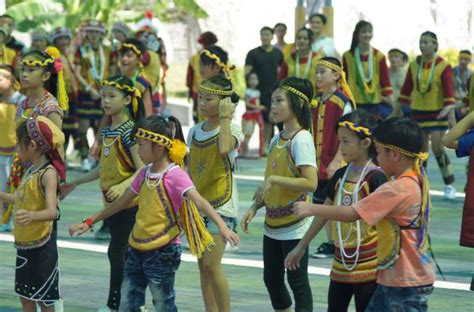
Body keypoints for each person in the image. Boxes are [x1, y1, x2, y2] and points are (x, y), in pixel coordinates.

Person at [69, 114, 240, 311]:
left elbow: (200, 201)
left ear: (158, 146)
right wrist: (90, 221)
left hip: (163, 251)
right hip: (136, 248)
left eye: (141, 145)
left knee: (163, 303)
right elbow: (122, 202)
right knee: (128, 302)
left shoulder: (176, 175)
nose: (138, 150)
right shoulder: (144, 173)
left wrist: (222, 227)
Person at [293, 117, 436, 311]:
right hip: (403, 277)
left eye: (378, 152)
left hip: (401, 280)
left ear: (394, 154)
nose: (377, 157)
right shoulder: (417, 180)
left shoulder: (394, 188)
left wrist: (311, 208)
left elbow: (353, 213)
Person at [286, 110, 387, 311]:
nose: (340, 148)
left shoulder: (376, 178)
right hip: (341, 263)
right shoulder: (341, 174)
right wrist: (302, 246)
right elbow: (325, 212)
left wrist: (311, 208)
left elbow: (356, 215)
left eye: (346, 142)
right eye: (339, 141)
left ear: (366, 143)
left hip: (369, 264)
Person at [60, 76, 144, 312]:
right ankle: (130, 303)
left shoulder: (130, 132)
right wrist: (76, 182)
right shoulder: (108, 130)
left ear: (127, 99)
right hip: (112, 202)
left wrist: (124, 184)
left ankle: (116, 305)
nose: (105, 101)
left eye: (112, 96)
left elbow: (142, 170)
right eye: (104, 95)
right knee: (121, 253)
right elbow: (103, 168)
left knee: (118, 252)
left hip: (129, 202)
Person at [241, 77, 317, 312]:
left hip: (295, 224)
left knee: (298, 282)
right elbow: (270, 184)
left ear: (296, 104)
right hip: (273, 222)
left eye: (279, 101)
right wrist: (255, 207)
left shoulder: (301, 139)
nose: (273, 106)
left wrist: (273, 180)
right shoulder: (276, 139)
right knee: (272, 279)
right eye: (272, 101)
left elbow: (311, 183)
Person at [187, 75, 243, 312]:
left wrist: (225, 116)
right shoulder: (194, 131)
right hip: (198, 205)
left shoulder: (232, 130)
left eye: (209, 98)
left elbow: (224, 148)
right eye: (200, 97)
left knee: (212, 265)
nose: (202, 102)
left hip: (222, 205)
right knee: (202, 266)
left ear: (223, 102)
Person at [0, 116, 65, 312]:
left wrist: (31, 216)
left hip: (43, 249)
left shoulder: (48, 174)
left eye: (19, 146)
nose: (18, 151)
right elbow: (22, 200)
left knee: (44, 300)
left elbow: (52, 211)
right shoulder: (32, 171)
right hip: (25, 244)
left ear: (33, 145)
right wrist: (2, 196)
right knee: (25, 296)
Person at [2, 47, 68, 234]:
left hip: (43, 172)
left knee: (42, 223)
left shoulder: (50, 107)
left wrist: (57, 180)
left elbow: (58, 145)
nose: (24, 74)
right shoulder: (23, 103)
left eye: (31, 70)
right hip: (23, 168)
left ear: (46, 75)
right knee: (24, 221)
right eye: (23, 69)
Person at [396, 31, 457, 200]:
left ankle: (449, 184)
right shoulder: (414, 65)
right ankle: (421, 185)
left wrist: (450, 111)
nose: (422, 45)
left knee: (438, 149)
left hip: (437, 113)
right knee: (421, 152)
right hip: (418, 113)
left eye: (426, 42)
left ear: (435, 45)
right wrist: (395, 112)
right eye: (421, 42)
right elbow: (406, 90)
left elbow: (449, 92)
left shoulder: (443, 65)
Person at [310, 57, 356, 259]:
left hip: (336, 161)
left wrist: (338, 159)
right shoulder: (314, 101)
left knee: (335, 203)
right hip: (318, 163)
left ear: (336, 75)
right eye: (316, 72)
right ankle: (331, 242)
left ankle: (341, 242)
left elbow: (348, 133)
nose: (318, 76)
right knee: (322, 201)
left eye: (322, 72)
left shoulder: (342, 102)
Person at [74, 20, 114, 172]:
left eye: (96, 32)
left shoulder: (109, 50)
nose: (93, 35)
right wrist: (89, 88)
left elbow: (113, 71)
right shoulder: (81, 50)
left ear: (102, 34)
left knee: (101, 128)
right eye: (90, 32)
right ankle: (85, 157)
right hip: (86, 93)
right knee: (82, 128)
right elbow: (77, 72)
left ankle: (97, 158)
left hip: (104, 93)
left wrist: (106, 91)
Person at [343, 20, 393, 118]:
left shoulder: (379, 56)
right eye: (364, 32)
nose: (367, 34)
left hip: (374, 102)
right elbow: (344, 79)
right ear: (357, 34)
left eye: (369, 31)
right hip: (354, 101)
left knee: (372, 130)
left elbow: (385, 80)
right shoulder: (348, 56)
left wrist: (389, 97)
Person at [245, 26, 284, 153]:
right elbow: (247, 71)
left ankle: (265, 146)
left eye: (267, 34)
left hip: (271, 92)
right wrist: (248, 90)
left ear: (272, 36)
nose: (265, 37)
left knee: (268, 120)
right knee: (251, 120)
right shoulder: (253, 53)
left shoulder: (278, 53)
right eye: (262, 35)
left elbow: (282, 72)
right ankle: (244, 147)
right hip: (255, 93)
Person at [0, 65, 25, 232]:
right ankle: (4, 218)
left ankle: (15, 218)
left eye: (1, 78)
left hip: (16, 153)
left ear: (11, 81)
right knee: (2, 186)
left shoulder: (20, 101)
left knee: (14, 185)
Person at [50, 27, 80, 162]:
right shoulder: (53, 55)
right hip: (60, 95)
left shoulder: (73, 53)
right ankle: (60, 157)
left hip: (74, 94)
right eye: (59, 39)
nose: (63, 41)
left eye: (65, 38)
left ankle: (69, 156)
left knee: (73, 126)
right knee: (62, 127)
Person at [187, 31, 218, 122]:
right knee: (199, 116)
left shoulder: (216, 57)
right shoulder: (195, 57)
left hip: (207, 91)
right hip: (199, 91)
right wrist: (190, 92)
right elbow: (190, 76)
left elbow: (190, 77)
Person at [279, 27, 322, 92]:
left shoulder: (318, 59)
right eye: (299, 38)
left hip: (313, 97)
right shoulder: (289, 58)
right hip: (292, 98)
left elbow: (323, 81)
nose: (301, 41)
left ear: (310, 40)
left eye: (305, 38)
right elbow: (281, 80)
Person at [117, 38, 153, 116]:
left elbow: (148, 115)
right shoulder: (114, 81)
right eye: (122, 55)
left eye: (129, 55)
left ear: (139, 59)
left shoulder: (142, 84)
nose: (124, 58)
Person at [240, 72, 266, 158]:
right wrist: (258, 106)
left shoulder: (257, 92)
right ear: (248, 81)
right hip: (249, 115)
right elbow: (247, 104)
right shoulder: (248, 91)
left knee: (251, 133)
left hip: (255, 115)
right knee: (248, 133)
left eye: (255, 79)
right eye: (251, 79)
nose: (253, 81)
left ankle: (245, 151)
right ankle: (245, 152)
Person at [453, 50, 472, 118]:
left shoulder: (471, 74)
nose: (463, 61)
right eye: (461, 58)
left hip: (467, 105)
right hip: (454, 104)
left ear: (470, 60)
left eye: (466, 59)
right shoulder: (452, 72)